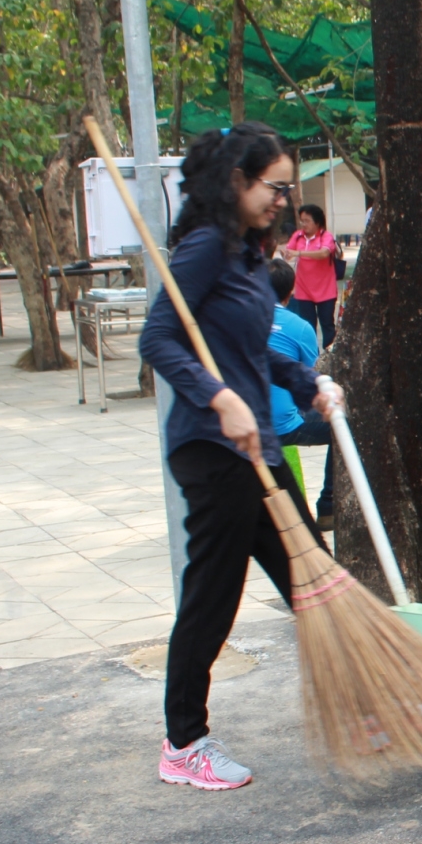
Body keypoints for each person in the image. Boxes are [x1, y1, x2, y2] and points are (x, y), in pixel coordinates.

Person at [137, 122, 343, 792]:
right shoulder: (204, 250)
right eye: (275, 185)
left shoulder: (251, 256)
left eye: (290, 187)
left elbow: (254, 351)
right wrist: (215, 395)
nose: (285, 198)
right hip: (213, 449)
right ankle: (183, 741)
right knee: (213, 594)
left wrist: (306, 381)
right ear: (235, 181)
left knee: (312, 581)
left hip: (258, 445)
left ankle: (362, 700)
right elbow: (159, 339)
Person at [265, 259, 337, 526]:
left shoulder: (237, 323)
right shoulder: (299, 327)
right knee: (345, 426)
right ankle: (329, 505)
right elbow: (312, 374)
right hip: (284, 424)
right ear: (291, 292)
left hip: (242, 424)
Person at [282, 202, 340, 347]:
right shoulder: (298, 236)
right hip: (304, 290)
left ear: (317, 222)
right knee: (308, 326)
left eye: (307, 221)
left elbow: (324, 253)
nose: (303, 224)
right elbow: (289, 251)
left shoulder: (326, 236)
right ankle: (311, 356)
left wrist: (299, 253)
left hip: (325, 290)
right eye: (302, 220)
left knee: (327, 324)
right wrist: (286, 253)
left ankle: (329, 356)